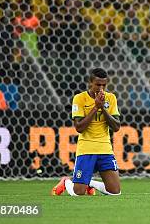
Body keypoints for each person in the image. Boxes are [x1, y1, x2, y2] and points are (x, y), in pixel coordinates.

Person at [52, 68, 122, 196]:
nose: (101, 88)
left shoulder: (111, 98)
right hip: (86, 148)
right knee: (78, 193)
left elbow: (116, 127)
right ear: (90, 82)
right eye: (98, 84)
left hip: (105, 148)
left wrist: (103, 109)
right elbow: (79, 127)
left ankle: (90, 183)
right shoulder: (79, 98)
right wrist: (96, 107)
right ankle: (67, 181)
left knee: (115, 192)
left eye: (104, 85)